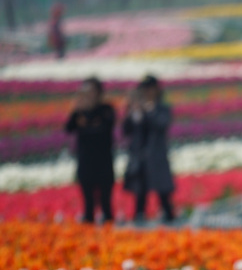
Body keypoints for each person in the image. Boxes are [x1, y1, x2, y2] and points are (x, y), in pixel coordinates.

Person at [123, 75, 175, 224]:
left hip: (156, 157)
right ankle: (139, 219)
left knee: (163, 194)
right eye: (144, 89)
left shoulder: (161, 108)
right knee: (140, 194)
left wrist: (149, 111)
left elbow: (162, 124)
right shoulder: (137, 109)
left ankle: (169, 219)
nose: (147, 92)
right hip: (140, 158)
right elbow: (126, 130)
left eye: (149, 89)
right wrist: (134, 112)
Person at [65, 77, 115, 224]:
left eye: (91, 91)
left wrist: (87, 125)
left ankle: (108, 233)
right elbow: (69, 128)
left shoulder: (106, 109)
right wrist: (78, 110)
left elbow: (105, 128)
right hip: (86, 160)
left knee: (106, 201)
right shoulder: (80, 111)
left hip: (103, 161)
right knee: (88, 203)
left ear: (99, 92)